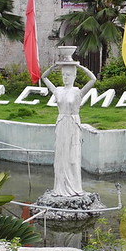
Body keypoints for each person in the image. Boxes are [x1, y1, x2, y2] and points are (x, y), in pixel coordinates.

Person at [41, 61, 96, 196]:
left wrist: (80, 67)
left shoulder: (78, 92)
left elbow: (93, 79)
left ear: (74, 76)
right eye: (64, 74)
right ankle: (59, 187)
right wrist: (53, 67)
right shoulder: (58, 90)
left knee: (72, 157)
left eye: (69, 75)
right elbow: (44, 77)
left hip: (73, 124)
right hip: (61, 124)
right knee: (60, 156)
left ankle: (74, 187)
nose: (65, 77)